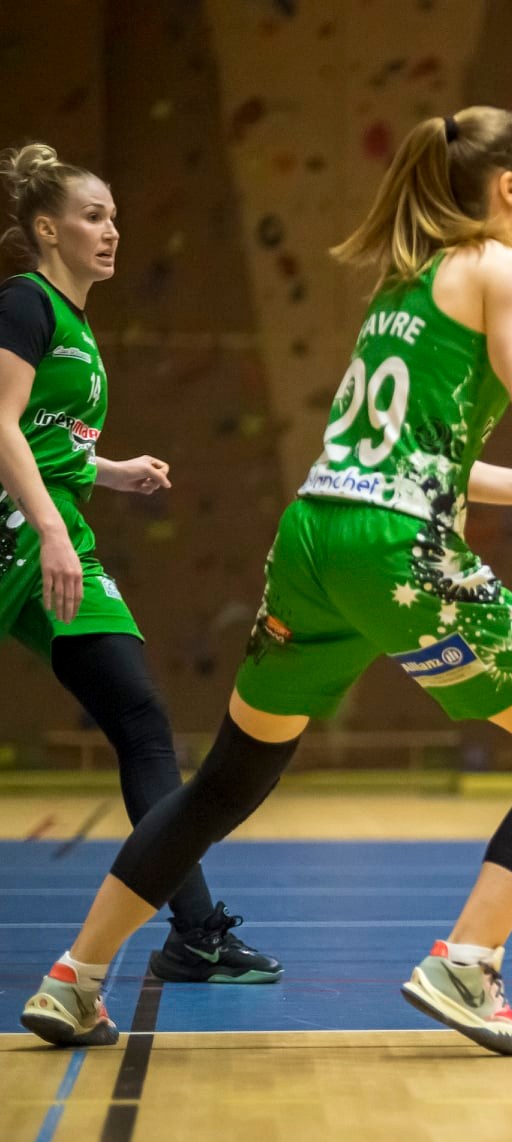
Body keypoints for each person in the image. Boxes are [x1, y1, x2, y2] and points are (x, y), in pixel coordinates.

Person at [19, 106, 512, 1056]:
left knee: (227, 778)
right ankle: (468, 961)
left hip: (312, 540)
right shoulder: (508, 267)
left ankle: (74, 979)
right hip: (394, 551)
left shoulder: (409, 284)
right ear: (505, 187)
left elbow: (387, 456)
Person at [0, 142, 282, 984]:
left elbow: (46, 441)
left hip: (50, 529)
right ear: (47, 230)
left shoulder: (75, 323)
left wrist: (109, 473)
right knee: (141, 722)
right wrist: (51, 528)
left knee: (140, 721)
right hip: (23, 534)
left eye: (116, 216)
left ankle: (194, 930)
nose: (113, 230)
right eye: (94, 216)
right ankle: (191, 929)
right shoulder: (24, 302)